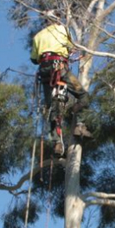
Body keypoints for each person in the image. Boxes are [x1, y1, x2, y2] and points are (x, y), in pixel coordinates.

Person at [30, 12, 91, 155]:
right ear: (57, 20)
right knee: (82, 95)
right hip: (60, 68)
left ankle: (57, 143)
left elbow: (33, 59)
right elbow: (71, 47)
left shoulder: (37, 36)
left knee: (51, 106)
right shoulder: (62, 29)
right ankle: (80, 125)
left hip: (44, 71)